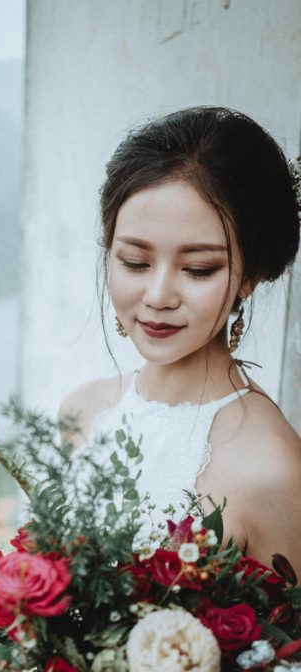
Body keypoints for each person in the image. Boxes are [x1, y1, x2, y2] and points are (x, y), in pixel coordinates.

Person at [61, 107, 301, 574]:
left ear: (249, 273)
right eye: (134, 262)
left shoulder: (273, 469)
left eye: (198, 269)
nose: (158, 296)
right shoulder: (81, 413)